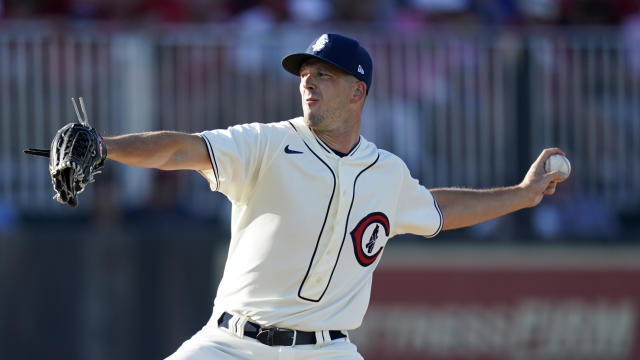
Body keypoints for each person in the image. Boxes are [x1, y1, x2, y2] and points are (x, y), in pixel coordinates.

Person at [103, 33, 568, 359]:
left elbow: (438, 208)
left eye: (324, 74)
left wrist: (522, 195)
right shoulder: (265, 142)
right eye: (305, 73)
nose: (308, 81)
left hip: (326, 350)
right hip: (231, 345)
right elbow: (182, 148)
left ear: (357, 92)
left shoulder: (386, 172)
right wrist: (107, 147)